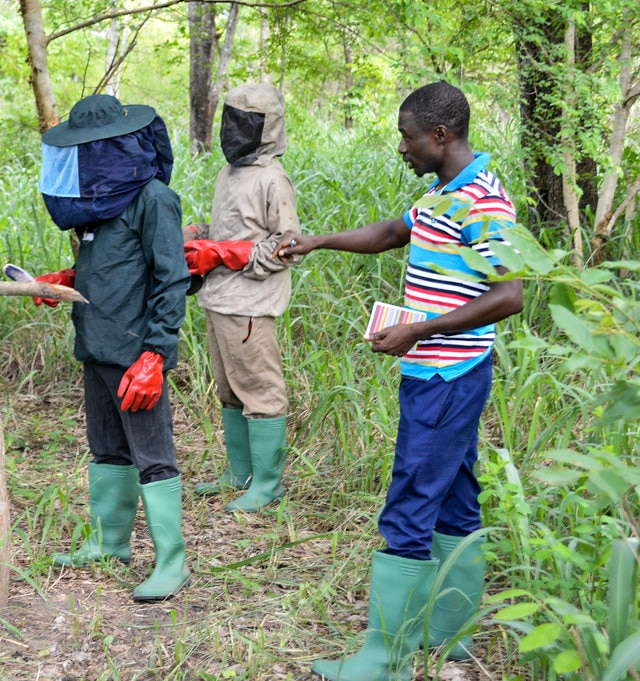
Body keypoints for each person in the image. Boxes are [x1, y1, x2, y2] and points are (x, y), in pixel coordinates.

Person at [276, 81, 524, 681]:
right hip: (437, 370)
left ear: (440, 136)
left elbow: (509, 295)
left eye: (407, 138)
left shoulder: (485, 203)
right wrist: (317, 241)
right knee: (457, 499)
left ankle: (382, 659)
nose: (402, 149)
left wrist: (421, 330)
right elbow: (391, 233)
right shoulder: (443, 193)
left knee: (410, 500)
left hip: (447, 374)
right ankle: (452, 632)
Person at [31, 93, 192, 602]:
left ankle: (172, 561)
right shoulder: (98, 207)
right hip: (96, 346)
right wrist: (66, 280)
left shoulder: (153, 200)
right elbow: (115, 269)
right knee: (107, 450)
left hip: (135, 355)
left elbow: (171, 280)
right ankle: (111, 543)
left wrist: (156, 356)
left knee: (153, 457)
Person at [183, 83, 302, 513]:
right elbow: (237, 229)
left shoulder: (273, 179)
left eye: (242, 123)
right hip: (218, 299)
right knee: (229, 388)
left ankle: (268, 485)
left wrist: (234, 254)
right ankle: (240, 473)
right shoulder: (229, 173)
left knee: (260, 390)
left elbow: (288, 244)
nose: (232, 131)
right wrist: (202, 238)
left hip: (251, 304)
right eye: (229, 120)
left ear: (265, 128)